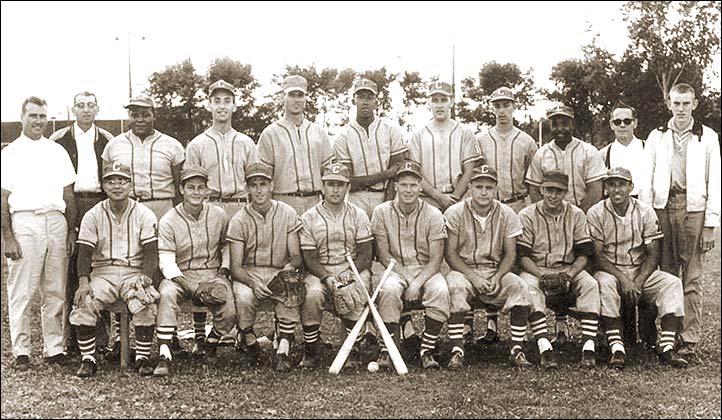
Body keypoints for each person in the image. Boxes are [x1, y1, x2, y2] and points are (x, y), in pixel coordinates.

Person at [639, 83, 720, 362]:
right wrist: (647, 216)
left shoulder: (707, 137)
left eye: (686, 103)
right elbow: (645, 178)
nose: (681, 109)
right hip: (663, 207)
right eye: (677, 103)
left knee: (692, 275)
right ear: (669, 105)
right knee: (666, 272)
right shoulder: (656, 136)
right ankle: (666, 336)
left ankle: (689, 338)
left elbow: (716, 182)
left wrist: (710, 224)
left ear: (695, 104)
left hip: (694, 208)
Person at [1, 96, 77, 370]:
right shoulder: (9, 153)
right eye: (33, 116)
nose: (38, 121)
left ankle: (53, 349)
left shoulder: (56, 151)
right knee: (22, 290)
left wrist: (70, 231)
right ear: (22, 117)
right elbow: (2, 196)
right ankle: (21, 351)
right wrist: (7, 236)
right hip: (25, 221)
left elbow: (68, 194)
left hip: (56, 221)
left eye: (42, 116)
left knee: (55, 289)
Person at [588, 167, 689, 368]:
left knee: (672, 283)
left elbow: (654, 254)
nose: (617, 190)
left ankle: (666, 346)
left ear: (630, 187)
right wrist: (624, 281)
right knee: (605, 285)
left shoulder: (645, 210)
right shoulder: (596, 212)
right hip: (611, 270)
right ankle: (617, 347)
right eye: (612, 184)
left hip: (639, 270)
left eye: (622, 184)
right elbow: (598, 256)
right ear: (606, 187)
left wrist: (638, 282)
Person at [70, 162, 159, 377]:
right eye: (111, 181)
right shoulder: (93, 214)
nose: (117, 186)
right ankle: (88, 358)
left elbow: (151, 251)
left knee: (144, 302)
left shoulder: (144, 213)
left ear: (130, 185)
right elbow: (84, 252)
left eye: (122, 181)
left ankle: (143, 357)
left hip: (134, 271)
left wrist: (146, 277)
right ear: (103, 186)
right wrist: (83, 281)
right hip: (103, 272)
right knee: (84, 302)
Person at [525, 104, 606, 341]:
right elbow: (534, 189)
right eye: (555, 122)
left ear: (573, 124)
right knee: (551, 266)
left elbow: (595, 189)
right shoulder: (542, 153)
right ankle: (560, 326)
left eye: (565, 122)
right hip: (547, 219)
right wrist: (550, 217)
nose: (560, 128)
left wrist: (573, 217)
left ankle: (596, 328)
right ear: (550, 125)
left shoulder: (588, 151)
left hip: (582, 218)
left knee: (584, 270)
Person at [445, 165, 533, 369]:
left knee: (519, 286)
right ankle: (457, 349)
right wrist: (473, 277)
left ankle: (516, 349)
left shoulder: (507, 213)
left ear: (495, 189)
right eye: (478, 187)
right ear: (469, 188)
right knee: (455, 287)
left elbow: (510, 254)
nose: (483, 192)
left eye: (488, 187)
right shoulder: (455, 212)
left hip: (495, 270)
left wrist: (497, 276)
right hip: (464, 270)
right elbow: (450, 253)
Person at [153, 165, 236, 376]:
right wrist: (189, 285)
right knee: (167, 293)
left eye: (201, 187)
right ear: (182, 190)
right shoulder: (169, 220)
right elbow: (167, 261)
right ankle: (164, 353)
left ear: (207, 190)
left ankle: (212, 341)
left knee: (230, 308)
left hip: (211, 272)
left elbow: (226, 245)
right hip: (181, 274)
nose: (196, 192)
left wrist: (224, 270)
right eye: (191, 187)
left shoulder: (219, 215)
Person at [471, 86, 538, 346]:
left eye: (506, 105)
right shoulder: (481, 139)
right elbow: (477, 177)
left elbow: (533, 179)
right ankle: (491, 324)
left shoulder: (527, 140)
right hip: (488, 205)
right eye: (497, 105)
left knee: (514, 261)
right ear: (492, 108)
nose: (501, 110)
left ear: (514, 107)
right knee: (487, 258)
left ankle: (517, 324)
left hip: (517, 203)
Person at [50, 91, 115, 356]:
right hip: (72, 202)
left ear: (98, 109)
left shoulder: (107, 139)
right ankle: (73, 339)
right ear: (73, 109)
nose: (86, 110)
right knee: (72, 272)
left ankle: (101, 339)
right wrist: (69, 221)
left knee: (100, 266)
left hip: (99, 201)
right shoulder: (60, 139)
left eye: (90, 105)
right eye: (81, 105)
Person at [370, 160, 450, 370]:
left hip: (426, 269)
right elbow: (384, 256)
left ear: (420, 186)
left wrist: (416, 283)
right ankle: (387, 347)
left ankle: (427, 348)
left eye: (413, 185)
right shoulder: (381, 211)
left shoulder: (433, 214)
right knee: (388, 288)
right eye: (403, 184)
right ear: (395, 186)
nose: (408, 190)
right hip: (394, 268)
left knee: (440, 290)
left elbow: (436, 261)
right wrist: (408, 279)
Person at [517, 170, 600, 368]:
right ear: (541, 189)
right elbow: (522, 256)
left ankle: (589, 346)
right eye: (549, 190)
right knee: (528, 286)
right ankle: (545, 346)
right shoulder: (527, 215)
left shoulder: (576, 214)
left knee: (590, 284)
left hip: (568, 268)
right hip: (536, 268)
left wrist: (570, 274)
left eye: (558, 191)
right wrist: (541, 275)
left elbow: (584, 252)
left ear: (565, 192)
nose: (553, 195)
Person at [227, 163, 304, 372]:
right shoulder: (239, 219)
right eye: (254, 185)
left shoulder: (287, 212)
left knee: (288, 287)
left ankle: (284, 348)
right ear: (247, 189)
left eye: (263, 184)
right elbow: (235, 267)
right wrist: (252, 282)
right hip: (248, 272)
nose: (259, 189)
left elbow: (296, 256)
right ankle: (249, 339)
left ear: (272, 186)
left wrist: (287, 270)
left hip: (278, 270)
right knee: (244, 297)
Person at [298, 163, 374, 369]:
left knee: (356, 288)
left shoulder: (358, 214)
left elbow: (367, 253)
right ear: (322, 187)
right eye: (330, 184)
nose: (335, 189)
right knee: (312, 293)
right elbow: (309, 257)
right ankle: (311, 349)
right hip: (320, 269)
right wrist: (327, 277)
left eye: (340, 185)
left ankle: (353, 350)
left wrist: (350, 273)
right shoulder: (309, 217)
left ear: (348, 187)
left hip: (351, 267)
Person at [596, 101, 650, 345]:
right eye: (617, 122)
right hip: (615, 210)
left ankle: (648, 332)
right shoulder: (604, 153)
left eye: (627, 121)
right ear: (611, 125)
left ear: (635, 123)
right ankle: (623, 333)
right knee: (617, 266)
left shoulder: (649, 148)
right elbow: (602, 189)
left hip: (645, 212)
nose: (622, 126)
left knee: (644, 269)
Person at [257, 75, 335, 217]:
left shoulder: (318, 132)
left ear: (305, 99)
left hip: (315, 200)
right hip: (283, 200)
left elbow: (328, 172)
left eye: (300, 95)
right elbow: (264, 177)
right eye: (292, 95)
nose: (296, 99)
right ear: (283, 98)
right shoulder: (270, 133)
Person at [334, 78, 408, 218]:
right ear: (353, 101)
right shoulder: (342, 136)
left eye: (370, 97)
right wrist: (386, 174)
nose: (365, 102)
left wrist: (389, 200)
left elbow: (398, 170)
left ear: (376, 101)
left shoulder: (391, 129)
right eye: (360, 97)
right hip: (356, 199)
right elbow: (350, 181)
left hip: (386, 194)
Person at [102, 94, 185, 220]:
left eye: (145, 115)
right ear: (129, 117)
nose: (140, 120)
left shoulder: (172, 145)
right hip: (126, 206)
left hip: (162, 206)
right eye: (135, 115)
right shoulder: (114, 145)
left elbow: (180, 186)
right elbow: (106, 183)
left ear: (154, 116)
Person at [185, 79, 258, 219]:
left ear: (234, 106)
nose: (222, 106)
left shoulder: (246, 143)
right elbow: (190, 185)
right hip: (209, 207)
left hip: (241, 207)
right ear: (209, 105)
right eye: (217, 101)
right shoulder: (197, 144)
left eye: (227, 101)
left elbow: (255, 182)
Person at [408, 81, 478, 212]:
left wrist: (454, 198)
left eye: (443, 100)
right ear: (429, 103)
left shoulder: (465, 133)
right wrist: (438, 196)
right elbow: (415, 173)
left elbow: (469, 171)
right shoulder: (418, 135)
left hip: (459, 199)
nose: (439, 105)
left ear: (451, 102)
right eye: (435, 100)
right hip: (427, 200)